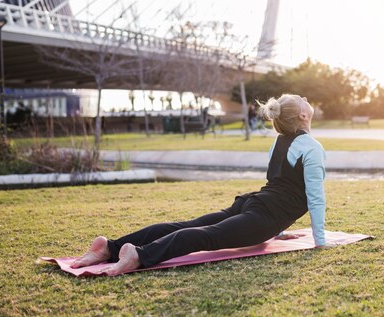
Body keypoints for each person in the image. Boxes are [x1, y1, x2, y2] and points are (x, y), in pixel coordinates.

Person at [71, 94, 328, 276]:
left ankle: (110, 247)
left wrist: (279, 231)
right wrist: (320, 241)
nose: (306, 98)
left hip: (253, 204)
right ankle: (139, 255)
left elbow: (281, 185)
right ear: (303, 115)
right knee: (207, 235)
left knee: (189, 226)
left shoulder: (279, 142)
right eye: (302, 99)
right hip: (263, 214)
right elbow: (312, 198)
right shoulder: (312, 148)